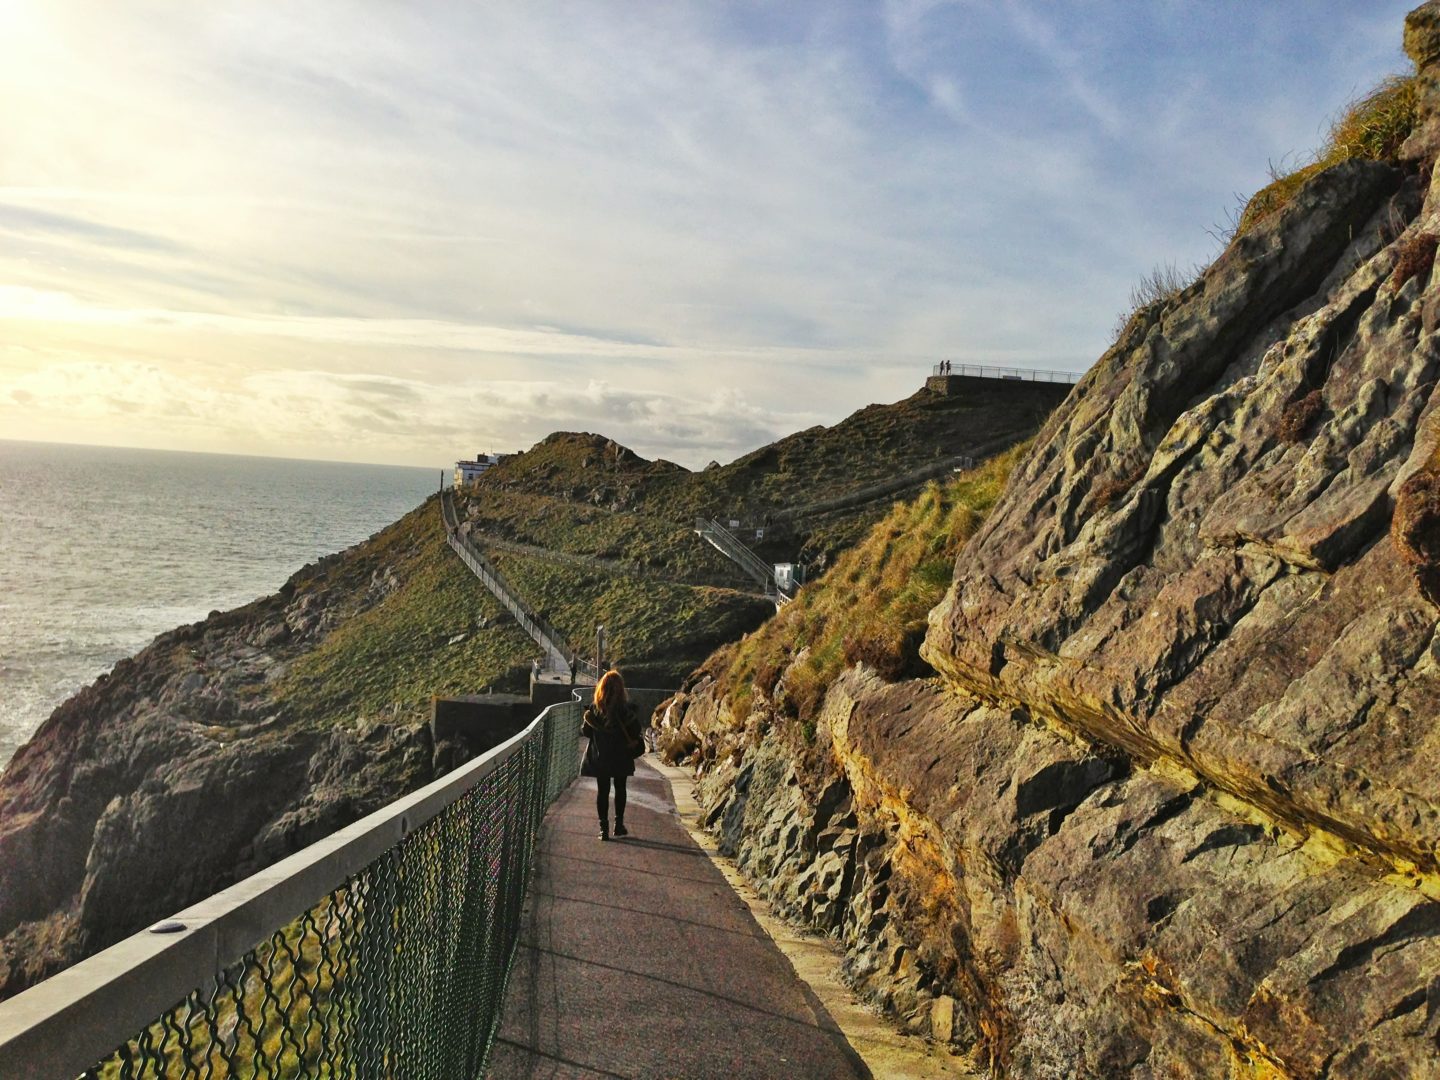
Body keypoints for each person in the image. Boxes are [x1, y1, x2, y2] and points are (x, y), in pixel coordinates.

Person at [581, 669, 643, 841]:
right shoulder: (626, 711)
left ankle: (603, 828)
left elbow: (586, 732)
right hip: (621, 757)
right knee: (620, 788)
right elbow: (636, 730)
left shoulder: (594, 710)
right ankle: (618, 825)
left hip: (601, 758)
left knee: (603, 791)